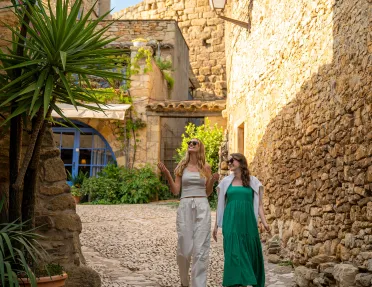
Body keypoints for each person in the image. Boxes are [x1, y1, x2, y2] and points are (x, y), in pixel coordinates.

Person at [158, 138, 219, 287]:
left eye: (194, 143)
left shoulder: (206, 167)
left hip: (202, 206)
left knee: (201, 249)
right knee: (184, 249)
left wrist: (212, 180)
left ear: (200, 147)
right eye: (189, 143)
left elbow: (208, 192)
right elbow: (175, 190)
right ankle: (184, 282)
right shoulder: (181, 167)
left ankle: (198, 285)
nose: (191, 145)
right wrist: (166, 173)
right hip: (185, 206)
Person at [213, 153, 270, 287]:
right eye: (229, 161)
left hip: (248, 222)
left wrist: (265, 222)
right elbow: (220, 205)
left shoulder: (253, 181)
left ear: (241, 162)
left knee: (248, 253)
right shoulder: (226, 182)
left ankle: (245, 281)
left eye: (232, 160)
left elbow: (259, 205)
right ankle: (236, 283)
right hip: (231, 222)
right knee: (233, 253)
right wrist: (216, 226)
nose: (230, 163)